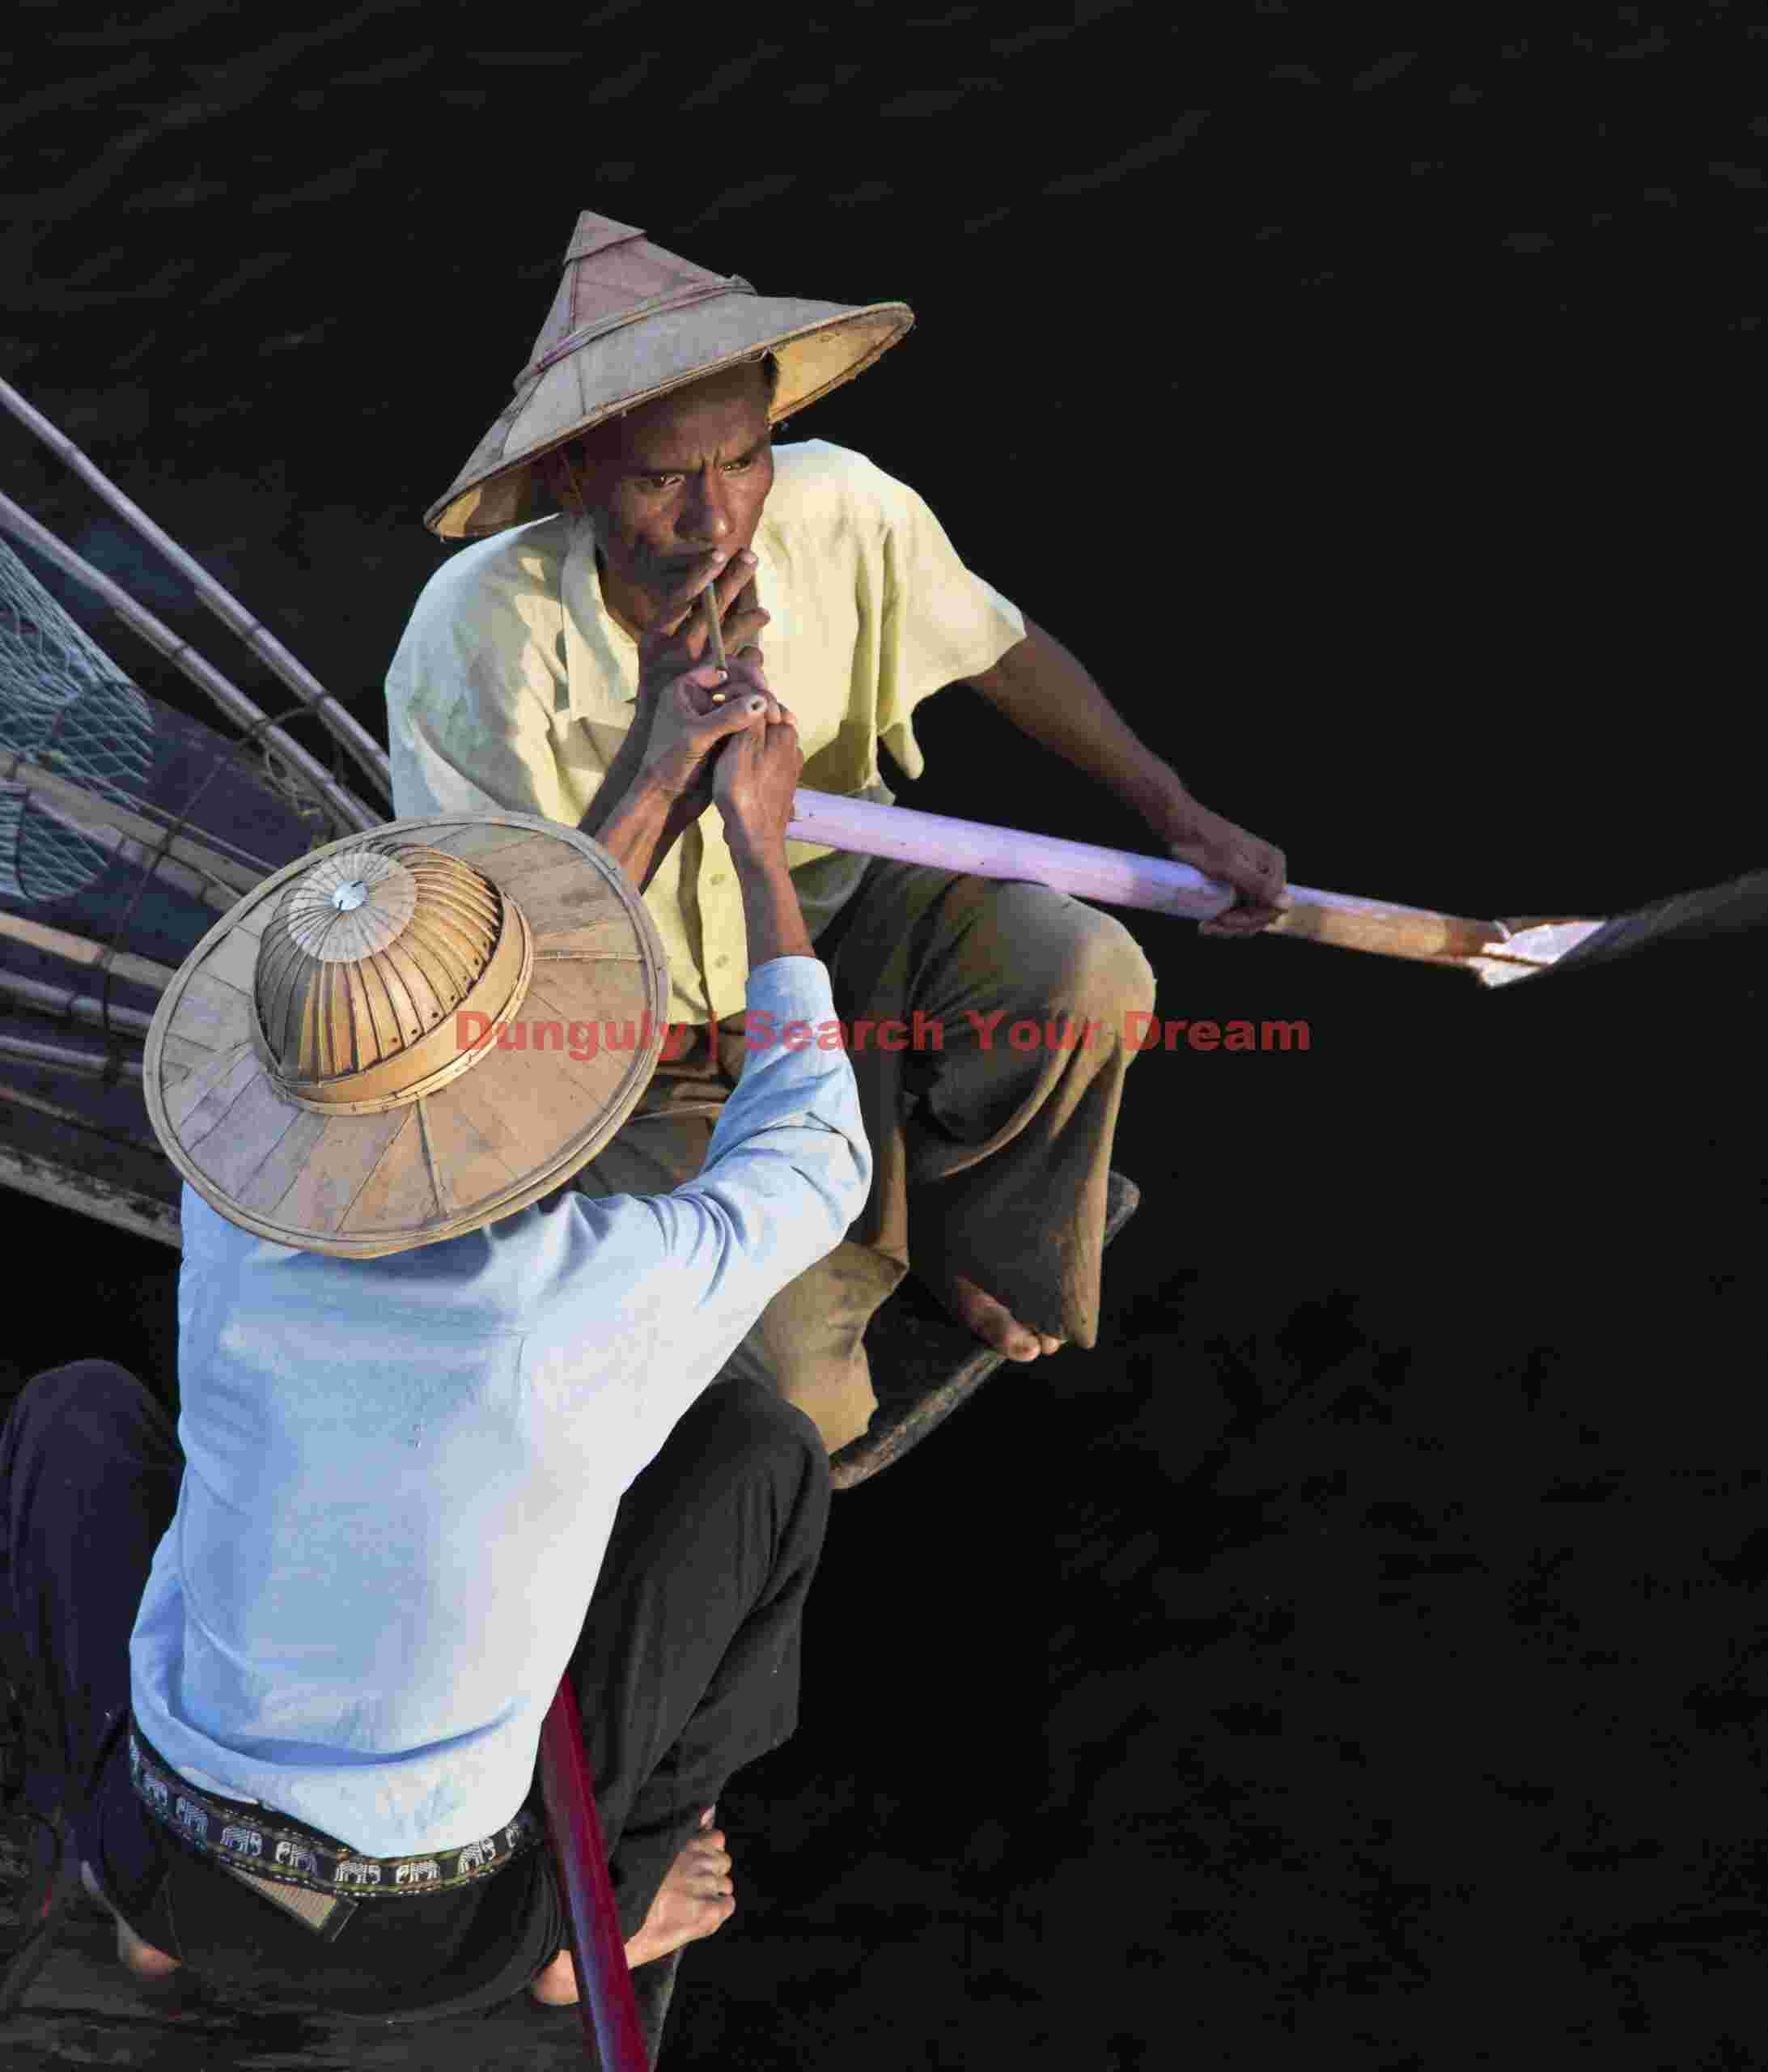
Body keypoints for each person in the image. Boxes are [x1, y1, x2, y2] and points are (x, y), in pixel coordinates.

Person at [0, 645, 870, 2019]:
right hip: (456, 1931)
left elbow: (518, 1016)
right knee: (763, 1452)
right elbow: (815, 1156)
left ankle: (119, 1892)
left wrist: (648, 778)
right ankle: (615, 1908)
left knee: (73, 1416)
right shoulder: (598, 1288)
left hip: (165, 1856)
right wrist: (757, 855)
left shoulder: (238, 1223)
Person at [386, 210, 1290, 1463]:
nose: (718, 521)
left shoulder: (843, 505)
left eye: (744, 460)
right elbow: (530, 953)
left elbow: (997, 644)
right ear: (570, 475)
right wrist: (658, 758)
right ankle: (841, 1230)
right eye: (661, 480)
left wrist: (1173, 811)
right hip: (642, 1029)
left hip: (841, 910)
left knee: (1085, 974)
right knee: (805, 1413)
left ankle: (964, 1236)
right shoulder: (479, 636)